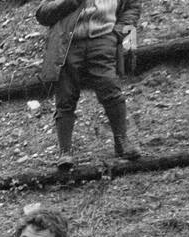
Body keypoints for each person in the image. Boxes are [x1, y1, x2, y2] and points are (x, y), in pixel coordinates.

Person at [37, 0, 142, 168]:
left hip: (103, 40)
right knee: (65, 97)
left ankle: (122, 141)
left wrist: (118, 33)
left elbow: (132, 6)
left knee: (111, 89)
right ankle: (65, 152)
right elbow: (42, 14)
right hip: (67, 43)